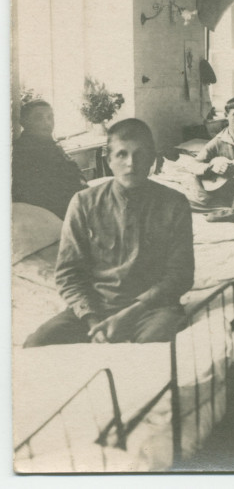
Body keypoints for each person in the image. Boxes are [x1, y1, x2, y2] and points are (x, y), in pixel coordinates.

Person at [24, 119, 194, 347]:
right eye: (122, 154)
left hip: (152, 309)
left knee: (152, 351)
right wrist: (94, 322)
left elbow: (180, 275)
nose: (131, 164)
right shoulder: (83, 203)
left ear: (153, 159)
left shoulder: (174, 203)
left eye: (140, 155)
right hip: (95, 308)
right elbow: (68, 273)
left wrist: (130, 314)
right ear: (109, 159)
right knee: (37, 344)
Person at [11, 99, 87, 219]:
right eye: (38, 118)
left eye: (50, 117)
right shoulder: (21, 151)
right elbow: (39, 194)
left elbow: (74, 173)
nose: (47, 123)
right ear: (25, 122)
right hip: (49, 216)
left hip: (73, 205)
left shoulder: (51, 145)